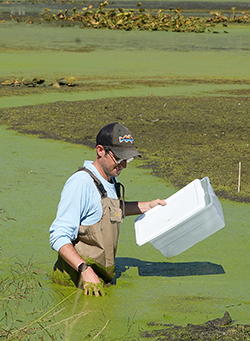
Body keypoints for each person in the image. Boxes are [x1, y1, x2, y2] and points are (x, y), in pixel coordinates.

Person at [49, 123, 167, 296]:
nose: (124, 165)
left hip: (101, 281)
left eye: (128, 159)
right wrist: (84, 269)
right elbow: (58, 235)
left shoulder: (110, 179)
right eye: (119, 157)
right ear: (100, 150)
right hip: (75, 284)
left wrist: (148, 206)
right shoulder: (81, 183)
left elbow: (109, 210)